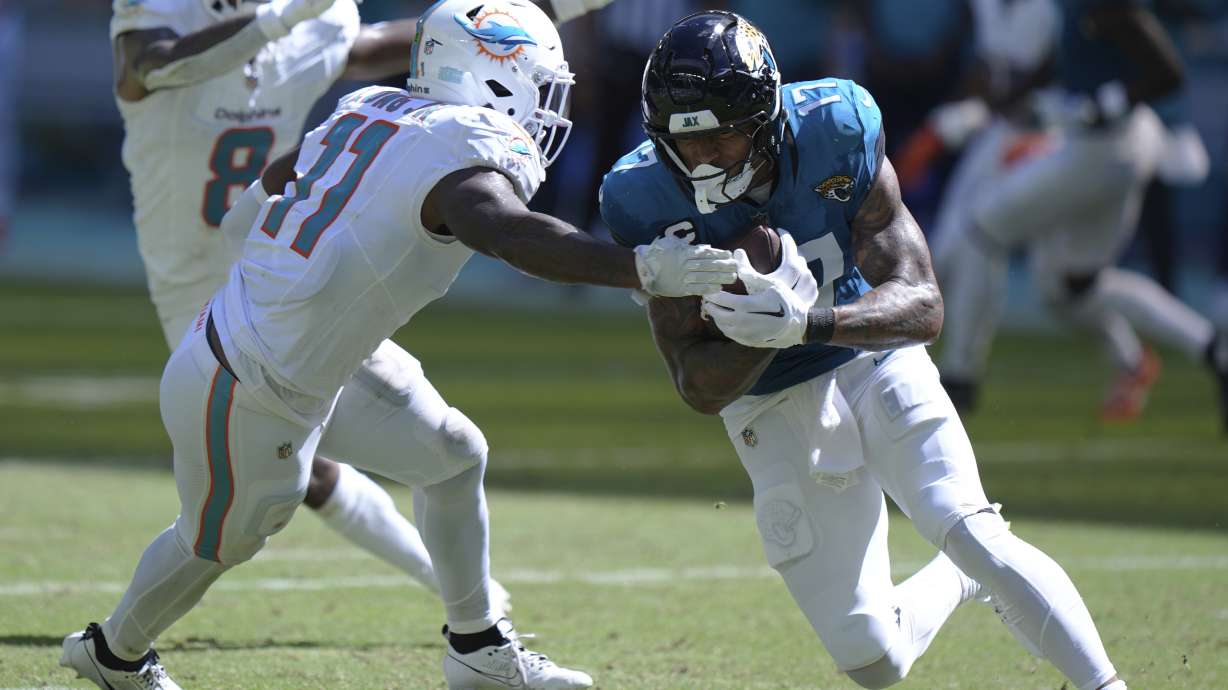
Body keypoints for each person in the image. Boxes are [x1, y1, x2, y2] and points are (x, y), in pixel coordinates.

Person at [61, 1, 733, 688]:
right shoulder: (461, 154)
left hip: (296, 351)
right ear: (492, 77)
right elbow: (511, 234)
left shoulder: (372, 106)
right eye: (538, 83)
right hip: (251, 382)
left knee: (452, 455)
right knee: (222, 540)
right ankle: (113, 652)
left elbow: (261, 196)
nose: (548, 105)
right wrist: (640, 269)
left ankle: (477, 650)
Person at [600, 11, 1127, 690]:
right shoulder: (640, 195)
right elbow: (696, 384)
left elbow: (922, 302)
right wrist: (766, 337)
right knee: (874, 660)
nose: (700, 160)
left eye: (722, 140)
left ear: (764, 122)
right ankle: (957, 582)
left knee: (967, 526)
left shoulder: (835, 128)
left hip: (865, 353)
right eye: (683, 143)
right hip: (770, 397)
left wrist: (809, 321)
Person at [105, 0, 615, 619]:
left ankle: (475, 623)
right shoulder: (168, 18)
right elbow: (154, 65)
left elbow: (412, 45)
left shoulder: (309, 21)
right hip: (203, 286)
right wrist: (282, 22)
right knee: (277, 488)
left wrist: (545, 10)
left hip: (290, 263)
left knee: (441, 451)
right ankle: (117, 645)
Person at [935, 0, 1228, 427]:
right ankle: (1213, 348)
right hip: (1108, 148)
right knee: (1073, 286)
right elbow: (1059, 60)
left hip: (1102, 151)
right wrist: (1003, 106)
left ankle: (959, 376)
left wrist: (1111, 100)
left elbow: (1168, 72)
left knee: (983, 230)